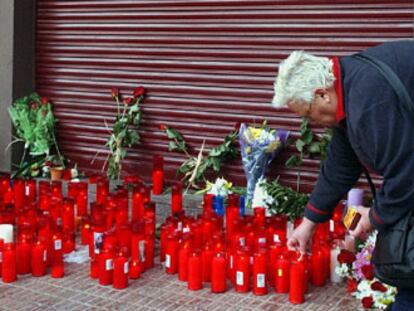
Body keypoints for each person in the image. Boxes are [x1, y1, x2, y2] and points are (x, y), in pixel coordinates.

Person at [271, 40, 414, 311]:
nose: (311, 122)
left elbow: (406, 170)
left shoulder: (369, 98)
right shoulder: (351, 87)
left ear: (322, 94)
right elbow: (341, 164)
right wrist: (309, 223)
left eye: (308, 114)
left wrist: (374, 218)